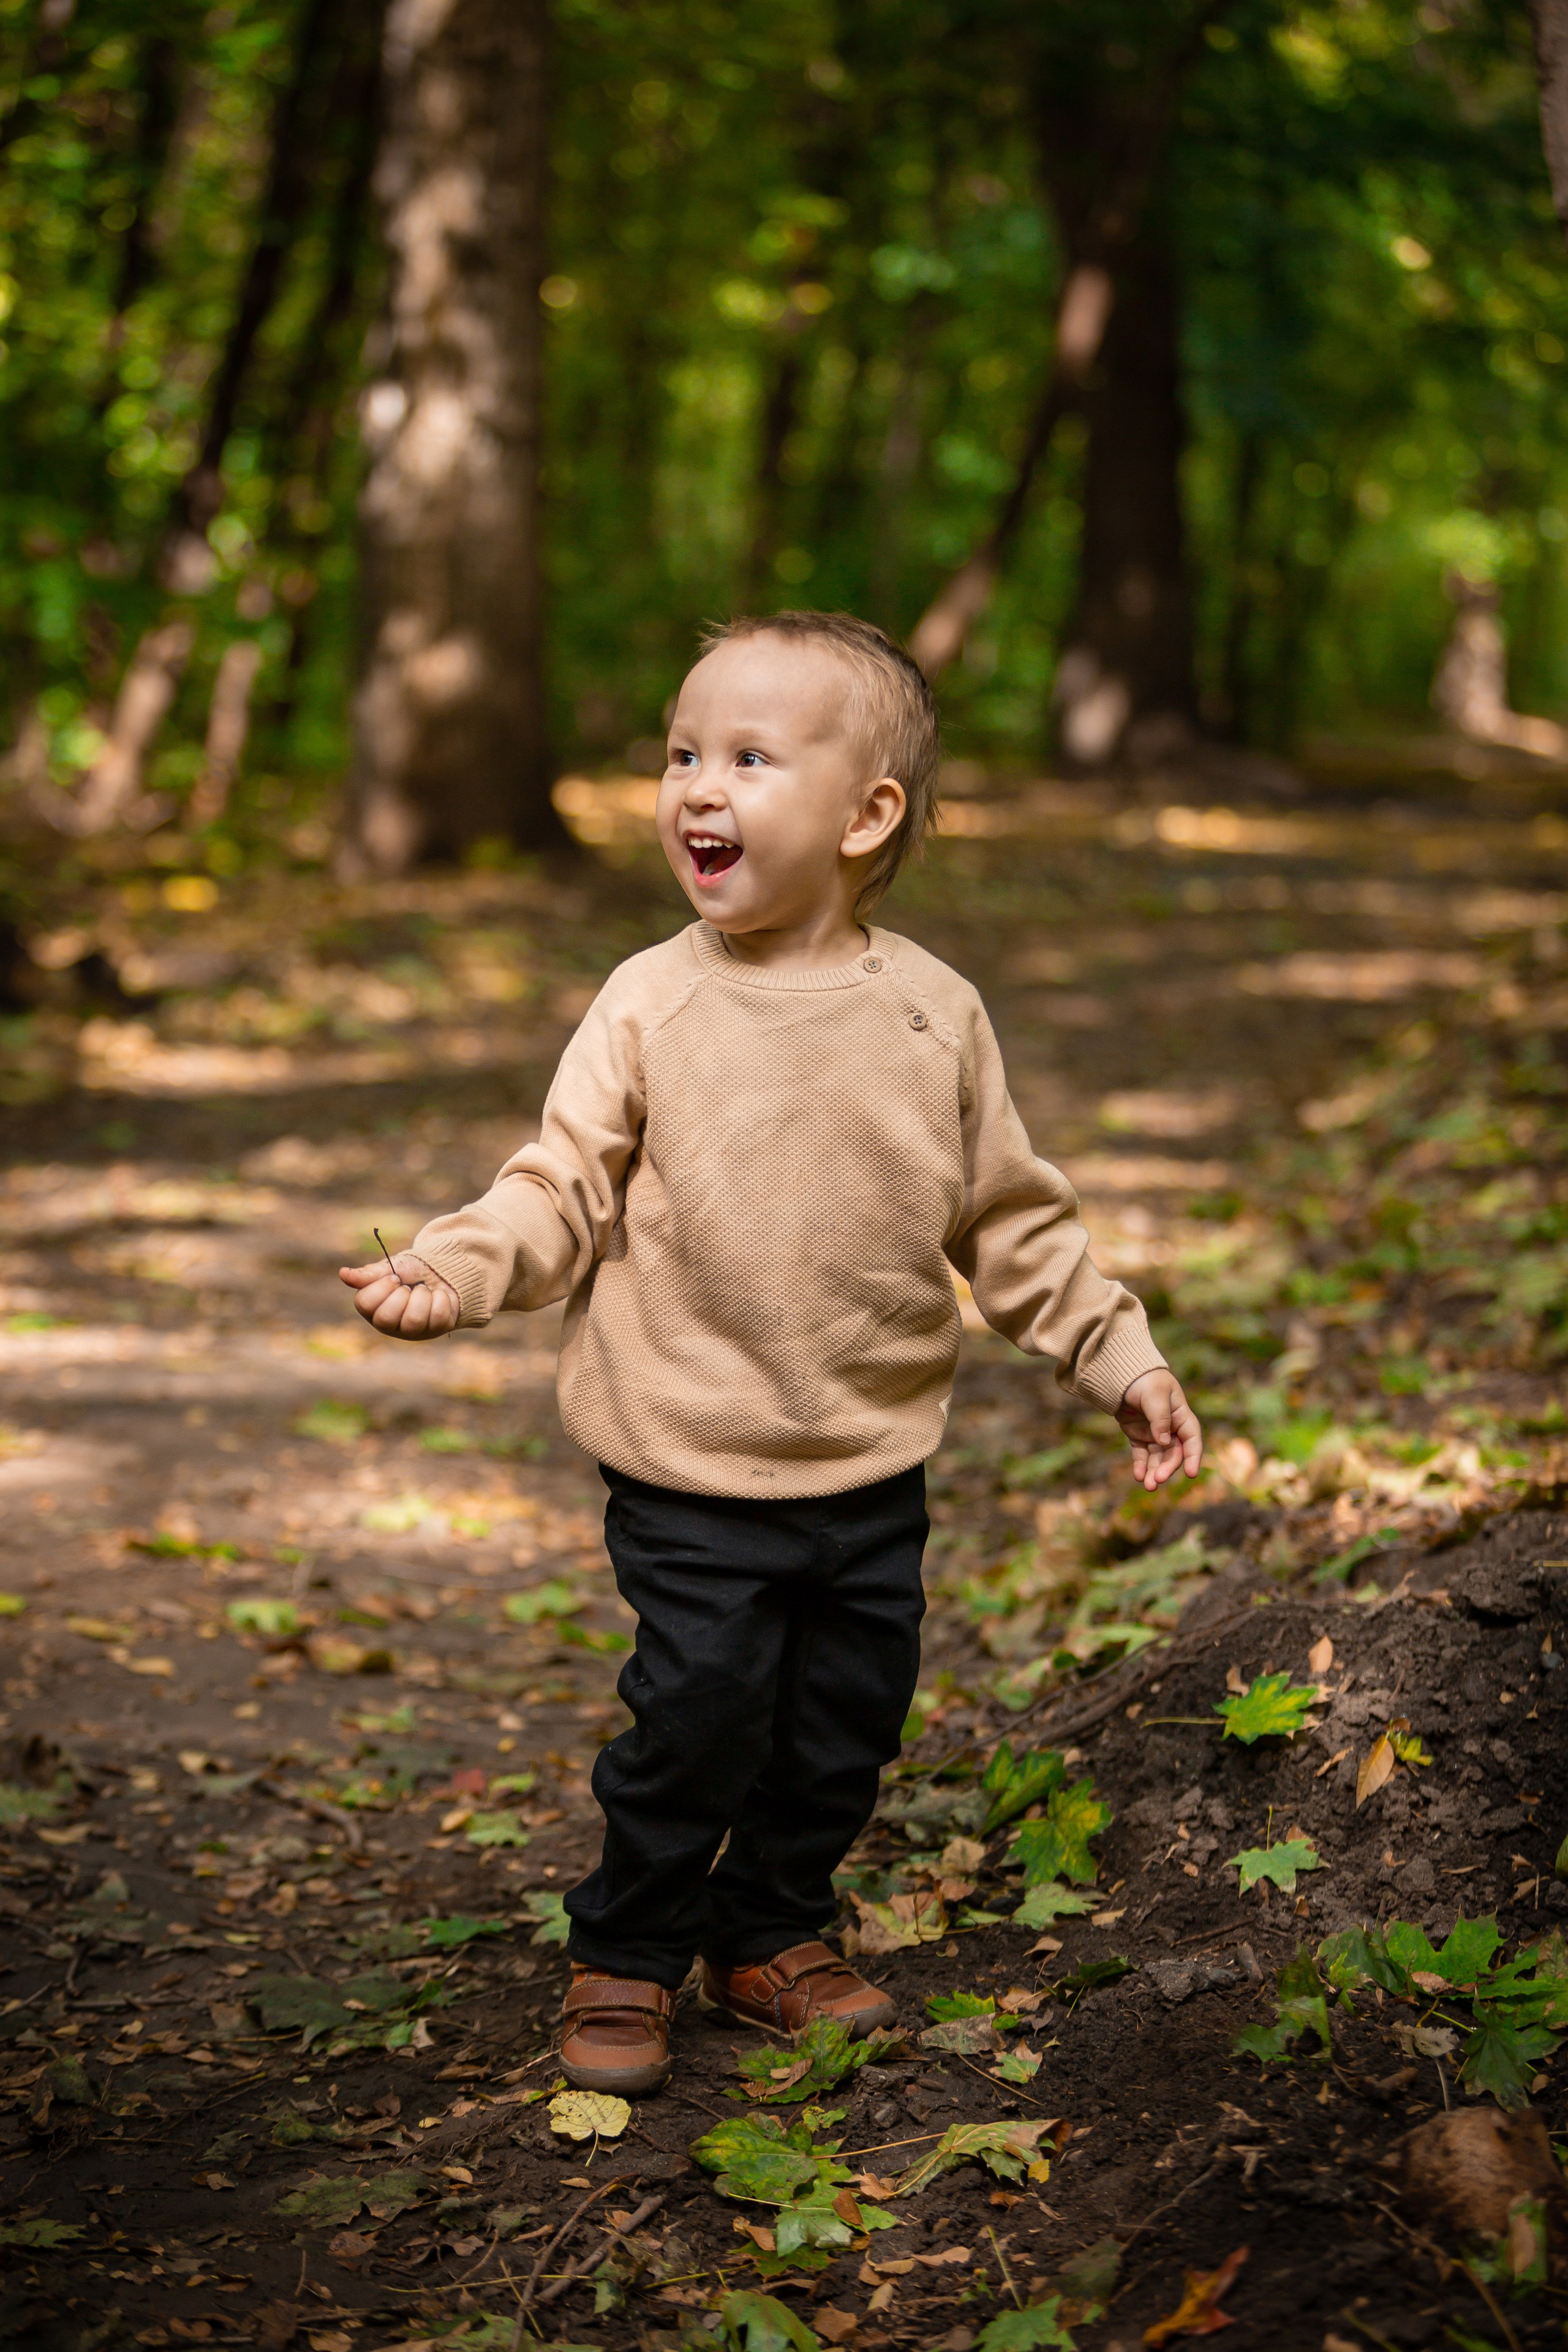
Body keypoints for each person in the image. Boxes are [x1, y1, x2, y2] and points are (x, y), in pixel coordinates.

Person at [338, 610, 1202, 2097]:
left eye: (746, 756)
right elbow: (558, 1185)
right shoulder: (650, 1001)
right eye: (681, 753)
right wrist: (455, 1266)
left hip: (866, 1461)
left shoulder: (933, 1016)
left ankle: (768, 1933)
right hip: (688, 1452)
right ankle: (625, 1948)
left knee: (840, 1729)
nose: (695, 787)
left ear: (866, 816)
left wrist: (1116, 1355)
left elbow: (1009, 1220)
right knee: (696, 1713)